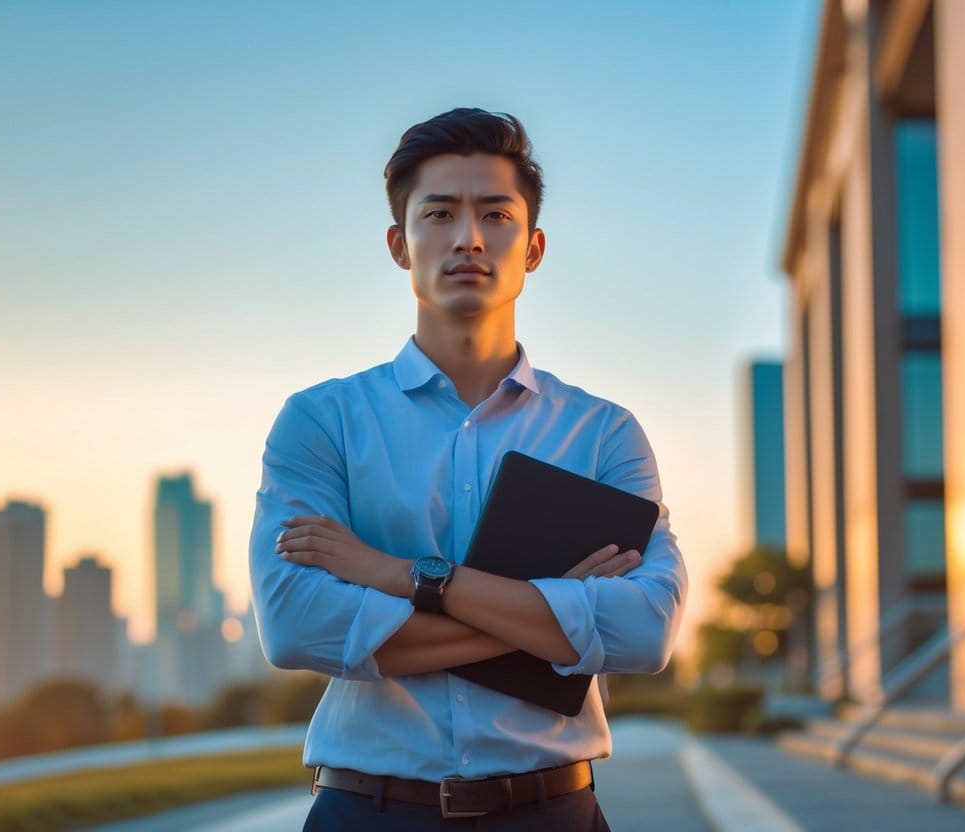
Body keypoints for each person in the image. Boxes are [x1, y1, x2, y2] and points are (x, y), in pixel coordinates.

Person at [250, 107, 688, 830]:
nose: (469, 238)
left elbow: (644, 633)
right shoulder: (321, 421)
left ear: (534, 245)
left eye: (495, 214)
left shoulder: (603, 433)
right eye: (440, 213)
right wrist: (554, 617)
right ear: (399, 243)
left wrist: (403, 577)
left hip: (554, 813)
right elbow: (297, 625)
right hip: (370, 811)